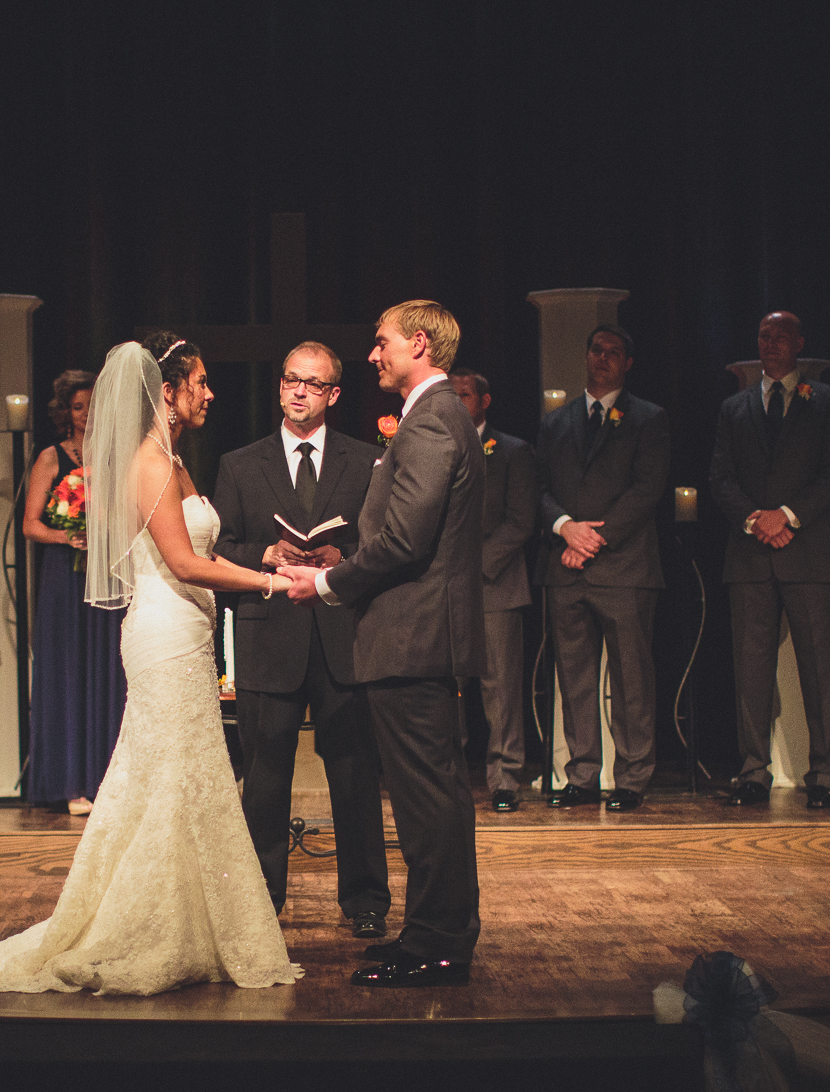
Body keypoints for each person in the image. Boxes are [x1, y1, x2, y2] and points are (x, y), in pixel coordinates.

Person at [0, 336, 300, 995]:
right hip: (165, 634)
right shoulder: (149, 461)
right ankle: (144, 927)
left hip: (187, 632)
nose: (210, 393)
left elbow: (198, 549)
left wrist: (261, 558)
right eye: (199, 382)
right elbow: (183, 563)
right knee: (168, 780)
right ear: (167, 390)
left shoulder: (173, 457)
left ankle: (189, 925)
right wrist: (270, 584)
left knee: (184, 781)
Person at [284, 300, 485, 989]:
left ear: (419, 344)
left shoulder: (431, 420)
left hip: (414, 636)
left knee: (428, 800)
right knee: (431, 797)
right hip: (415, 634)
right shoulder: (437, 416)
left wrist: (327, 583)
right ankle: (433, 933)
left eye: (381, 342)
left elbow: (404, 539)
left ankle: (439, 944)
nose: (373, 355)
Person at [213, 341, 389, 936]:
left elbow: (384, 543)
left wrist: (345, 557)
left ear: (333, 394)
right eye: (291, 379)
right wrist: (264, 553)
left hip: (344, 636)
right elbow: (219, 546)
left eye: (312, 384)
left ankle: (366, 901)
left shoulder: (367, 460)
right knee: (265, 776)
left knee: (354, 775)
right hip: (269, 635)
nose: (298, 391)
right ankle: (260, 901)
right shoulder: (241, 463)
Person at [709, 311, 830, 809]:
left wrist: (787, 516)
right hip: (751, 555)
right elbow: (721, 477)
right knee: (750, 673)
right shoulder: (735, 407)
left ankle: (826, 774)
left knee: (820, 671)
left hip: (809, 554)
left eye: (781, 337)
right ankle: (753, 771)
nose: (770, 344)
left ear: (799, 343)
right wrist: (755, 519)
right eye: (763, 336)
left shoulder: (828, 402)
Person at [536, 325, 671, 813]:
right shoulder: (558, 421)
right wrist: (565, 527)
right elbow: (538, 487)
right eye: (596, 349)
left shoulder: (648, 418)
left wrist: (593, 538)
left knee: (632, 678)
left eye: (614, 351)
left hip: (624, 567)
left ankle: (632, 777)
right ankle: (582, 775)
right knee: (574, 678)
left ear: (627, 363)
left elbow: (647, 489)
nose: (603, 357)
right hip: (566, 568)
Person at [24, 369, 126, 817]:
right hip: (65, 578)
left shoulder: (118, 456)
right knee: (68, 673)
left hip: (108, 574)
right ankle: (69, 783)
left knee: (107, 671)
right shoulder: (51, 457)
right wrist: (67, 536)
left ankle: (109, 779)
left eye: (93, 405)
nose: (86, 414)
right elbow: (30, 525)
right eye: (78, 406)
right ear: (66, 411)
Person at [449, 366, 538, 812]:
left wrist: (476, 565)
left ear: (484, 401)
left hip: (495, 586)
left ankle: (505, 778)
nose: (457, 401)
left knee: (500, 689)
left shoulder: (512, 451)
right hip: (446, 589)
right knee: (446, 687)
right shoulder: (439, 446)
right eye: (451, 394)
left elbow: (521, 519)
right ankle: (448, 776)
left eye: (464, 394)